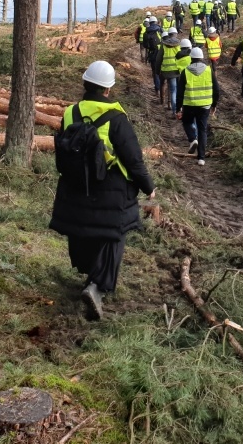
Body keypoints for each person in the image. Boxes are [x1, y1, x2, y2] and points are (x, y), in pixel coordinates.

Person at [49, 61, 156, 320]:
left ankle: (88, 275)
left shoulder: (70, 113)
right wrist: (148, 187)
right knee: (113, 235)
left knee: (82, 230)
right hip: (112, 192)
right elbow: (133, 159)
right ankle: (97, 285)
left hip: (74, 190)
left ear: (85, 84)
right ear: (108, 89)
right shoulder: (117, 119)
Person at [176, 47, 219, 166]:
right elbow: (216, 90)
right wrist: (214, 105)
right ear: (201, 58)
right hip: (205, 106)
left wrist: (178, 108)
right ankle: (201, 158)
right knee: (202, 129)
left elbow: (180, 92)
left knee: (186, 122)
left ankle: (192, 139)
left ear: (191, 58)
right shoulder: (209, 71)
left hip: (189, 105)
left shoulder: (186, 71)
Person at [154, 28, 181, 115]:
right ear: (176, 34)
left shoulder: (163, 45)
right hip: (176, 71)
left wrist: (157, 71)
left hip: (165, 70)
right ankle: (174, 111)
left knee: (169, 87)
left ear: (169, 35)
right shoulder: (178, 44)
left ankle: (169, 104)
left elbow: (158, 59)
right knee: (174, 90)